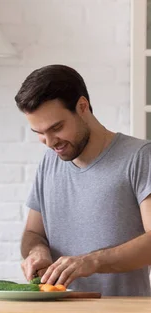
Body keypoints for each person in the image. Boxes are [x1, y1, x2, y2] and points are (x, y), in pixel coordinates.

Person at [15, 64, 151, 296]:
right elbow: (33, 233)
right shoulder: (50, 161)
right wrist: (37, 251)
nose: (49, 142)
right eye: (39, 133)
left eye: (56, 127)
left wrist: (92, 261)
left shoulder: (139, 157)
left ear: (82, 107)